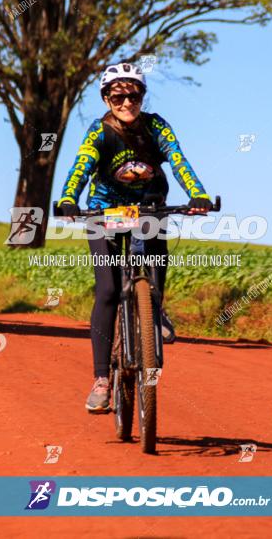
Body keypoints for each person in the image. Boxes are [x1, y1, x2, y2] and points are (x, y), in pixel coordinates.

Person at [57, 62, 212, 413]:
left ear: (142, 96)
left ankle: (153, 310)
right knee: (109, 290)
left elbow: (178, 160)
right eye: (118, 96)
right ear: (106, 98)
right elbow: (80, 167)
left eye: (134, 95)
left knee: (154, 258)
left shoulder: (157, 126)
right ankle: (101, 379)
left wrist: (198, 194)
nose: (127, 102)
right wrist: (68, 199)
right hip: (104, 211)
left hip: (148, 206)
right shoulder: (99, 132)